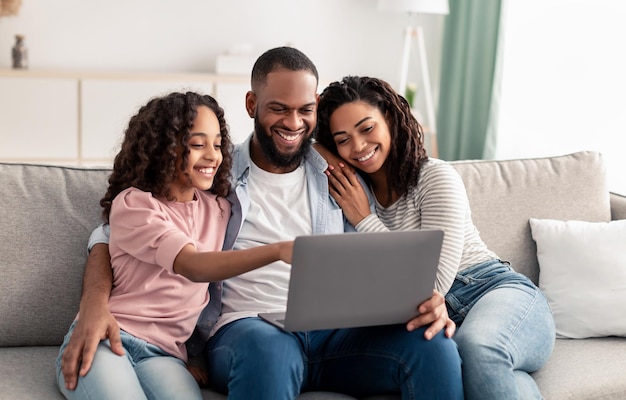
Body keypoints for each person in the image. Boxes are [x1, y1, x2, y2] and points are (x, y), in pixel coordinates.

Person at [60, 47, 464, 400]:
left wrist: (427, 299)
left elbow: (381, 252)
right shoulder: (215, 176)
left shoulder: (341, 172)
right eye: (278, 109)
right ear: (252, 104)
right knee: (270, 350)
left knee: (434, 345)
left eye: (305, 110)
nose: (293, 123)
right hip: (248, 330)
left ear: (317, 107)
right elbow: (109, 234)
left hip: (334, 332)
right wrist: (94, 304)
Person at [315, 75, 556, 400]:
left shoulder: (434, 176)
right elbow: (302, 147)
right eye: (342, 139)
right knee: (487, 372)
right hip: (435, 321)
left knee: (478, 348)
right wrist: (306, 115)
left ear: (389, 117)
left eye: (367, 128)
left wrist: (365, 220)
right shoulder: (358, 189)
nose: (358, 146)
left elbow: (431, 283)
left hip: (490, 290)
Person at [55, 91, 293, 400]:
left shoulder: (219, 209)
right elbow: (192, 265)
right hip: (110, 336)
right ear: (163, 149)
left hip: (165, 355)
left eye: (218, 144)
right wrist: (276, 251)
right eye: (197, 144)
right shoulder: (135, 204)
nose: (212, 156)